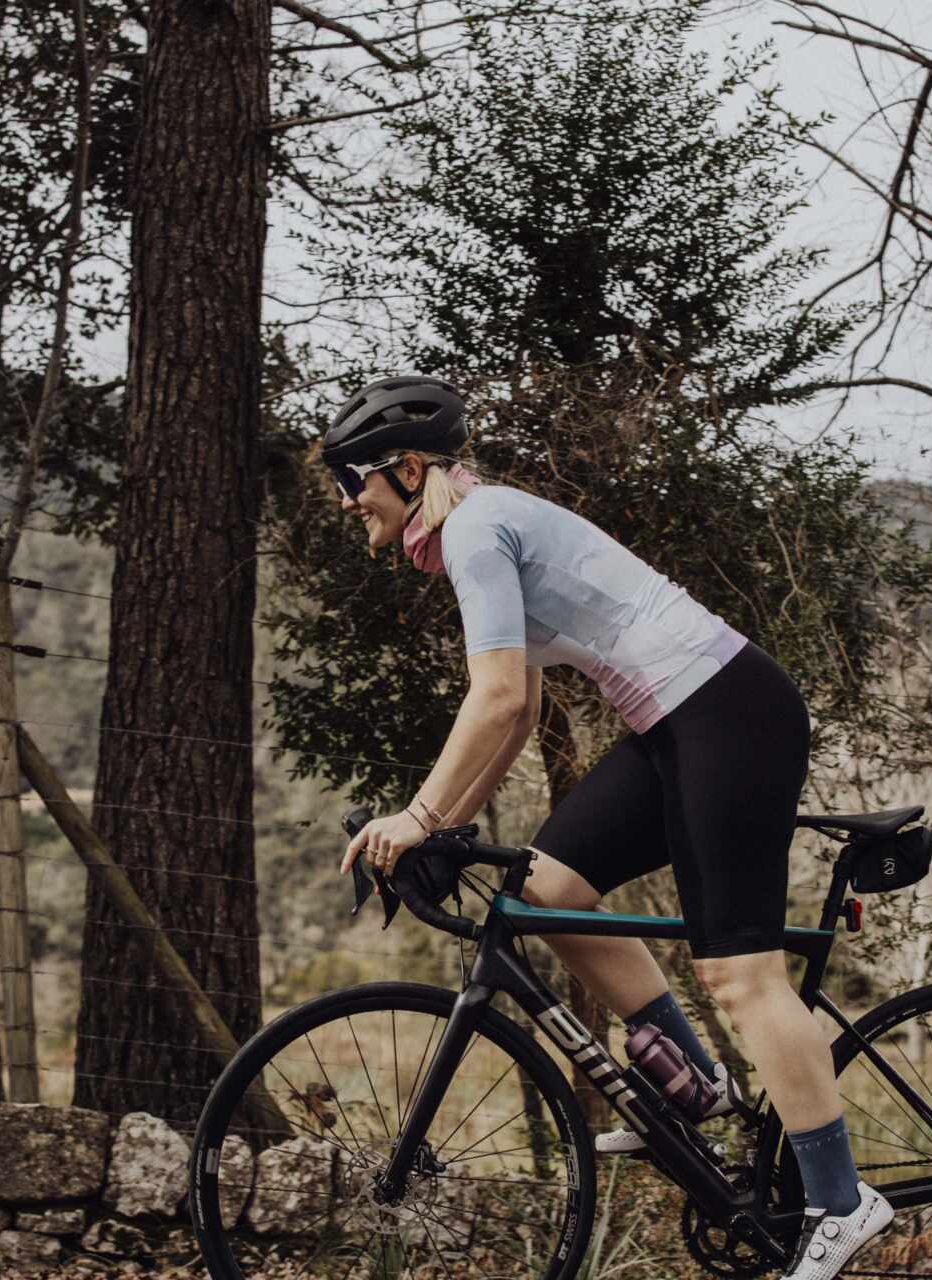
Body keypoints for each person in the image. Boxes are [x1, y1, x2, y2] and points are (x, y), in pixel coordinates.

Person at [330, 374, 893, 1279]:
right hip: (676, 722)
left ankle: (841, 1200)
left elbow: (496, 697)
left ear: (403, 470)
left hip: (728, 712)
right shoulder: (481, 525)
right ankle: (696, 1085)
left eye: (350, 479)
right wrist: (442, 828)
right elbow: (517, 714)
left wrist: (422, 817)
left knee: (740, 976)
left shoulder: (474, 529)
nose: (345, 500)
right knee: (548, 888)